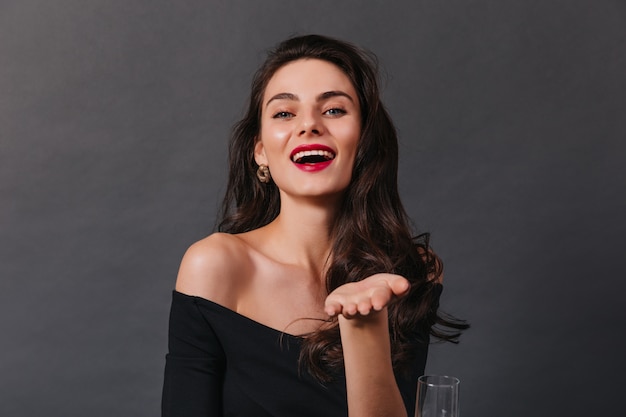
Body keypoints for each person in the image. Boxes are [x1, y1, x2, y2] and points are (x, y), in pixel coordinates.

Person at [162, 34, 467, 417]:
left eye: (334, 110)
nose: (309, 125)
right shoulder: (214, 265)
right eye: (284, 113)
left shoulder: (413, 269)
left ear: (366, 140)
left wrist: (364, 329)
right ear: (261, 151)